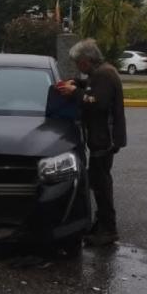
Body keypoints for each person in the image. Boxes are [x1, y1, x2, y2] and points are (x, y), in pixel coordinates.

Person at [57, 39, 127, 246]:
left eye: (79, 63)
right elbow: (89, 86)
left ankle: (108, 229)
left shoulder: (104, 75)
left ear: (87, 60)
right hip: (102, 138)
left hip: (105, 139)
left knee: (101, 184)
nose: (78, 67)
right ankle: (102, 223)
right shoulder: (101, 73)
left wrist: (74, 92)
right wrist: (77, 83)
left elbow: (97, 102)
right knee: (99, 181)